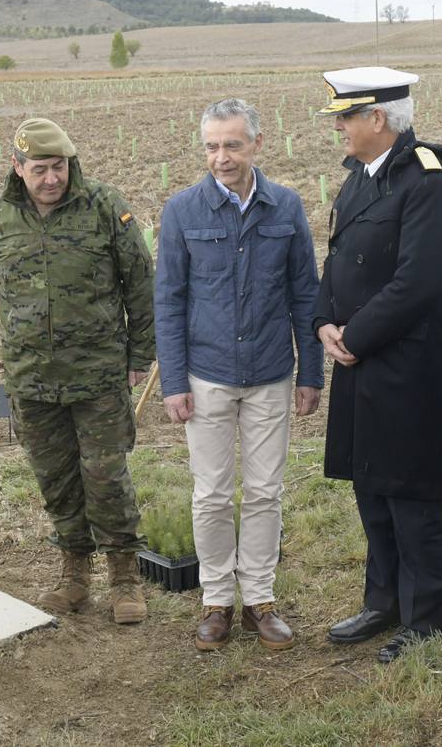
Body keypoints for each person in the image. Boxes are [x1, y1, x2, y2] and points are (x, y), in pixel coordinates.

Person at [0, 117, 156, 625]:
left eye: (60, 167)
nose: (52, 178)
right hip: (32, 379)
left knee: (106, 477)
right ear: (17, 167)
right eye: (40, 169)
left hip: (99, 376)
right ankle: (73, 574)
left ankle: (125, 577)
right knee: (57, 479)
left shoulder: (104, 207)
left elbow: (140, 283)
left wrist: (140, 356)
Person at [312, 67, 442, 662]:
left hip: (408, 365)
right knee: (372, 484)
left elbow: (419, 280)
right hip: (358, 358)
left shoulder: (426, 181)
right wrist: (323, 321)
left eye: (346, 117)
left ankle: (425, 618)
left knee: (413, 492)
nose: (338, 127)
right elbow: (337, 261)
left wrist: (356, 335)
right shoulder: (359, 179)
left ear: (379, 119)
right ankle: (383, 599)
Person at [155, 98, 324, 651]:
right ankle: (216, 601)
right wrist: (174, 382)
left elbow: (305, 294)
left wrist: (310, 373)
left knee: (265, 492)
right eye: (211, 146)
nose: (221, 157)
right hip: (206, 375)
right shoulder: (182, 211)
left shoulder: (286, 207)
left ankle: (260, 599)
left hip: (272, 373)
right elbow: (169, 301)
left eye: (232, 144)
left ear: (256, 143)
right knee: (210, 495)